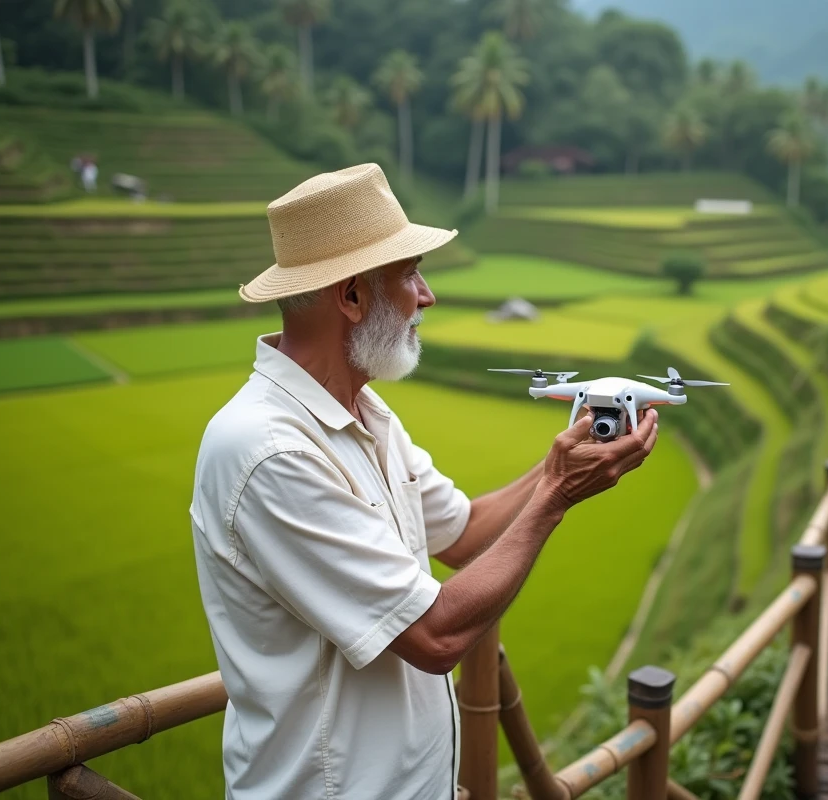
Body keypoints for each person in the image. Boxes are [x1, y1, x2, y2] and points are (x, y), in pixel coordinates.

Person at [188, 164, 660, 799]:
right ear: (352, 297)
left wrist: (567, 458)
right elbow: (435, 636)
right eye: (410, 274)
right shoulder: (269, 451)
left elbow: (463, 534)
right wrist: (557, 494)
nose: (427, 295)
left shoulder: (365, 413)